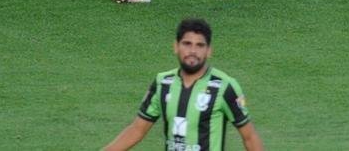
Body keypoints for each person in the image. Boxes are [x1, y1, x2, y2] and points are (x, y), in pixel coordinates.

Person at [103, 17, 263, 151]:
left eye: (200, 45)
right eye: (187, 44)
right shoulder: (162, 83)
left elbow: (249, 136)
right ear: (176, 46)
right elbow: (137, 129)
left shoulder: (224, 86)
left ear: (209, 51)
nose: (193, 51)